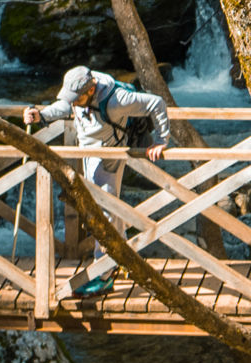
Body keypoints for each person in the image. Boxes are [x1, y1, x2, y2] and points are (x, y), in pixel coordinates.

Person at [23, 65, 170, 296]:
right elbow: (65, 105)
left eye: (76, 98)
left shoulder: (117, 99)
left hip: (108, 155)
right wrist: (41, 115)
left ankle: (104, 274)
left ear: (90, 91)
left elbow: (156, 103)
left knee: (104, 214)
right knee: (109, 210)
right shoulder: (79, 92)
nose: (72, 102)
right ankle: (125, 260)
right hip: (89, 152)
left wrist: (161, 140)